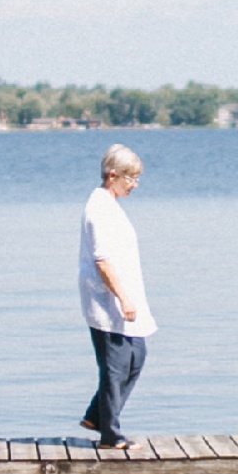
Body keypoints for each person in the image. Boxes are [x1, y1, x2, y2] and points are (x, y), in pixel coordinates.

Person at [79, 143, 156, 451]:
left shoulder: (111, 205)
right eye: (131, 178)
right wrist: (123, 298)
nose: (135, 185)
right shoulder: (98, 208)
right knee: (115, 367)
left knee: (136, 357)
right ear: (113, 175)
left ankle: (97, 415)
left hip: (125, 297)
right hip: (107, 300)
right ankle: (110, 435)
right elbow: (102, 260)